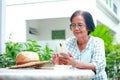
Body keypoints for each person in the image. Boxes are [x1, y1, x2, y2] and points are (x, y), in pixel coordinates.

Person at [51, 10, 107, 80]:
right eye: (73, 25)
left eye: (80, 25)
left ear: (88, 27)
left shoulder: (97, 42)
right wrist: (58, 64)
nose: (76, 28)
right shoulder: (68, 42)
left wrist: (74, 63)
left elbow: (98, 66)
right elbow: (66, 68)